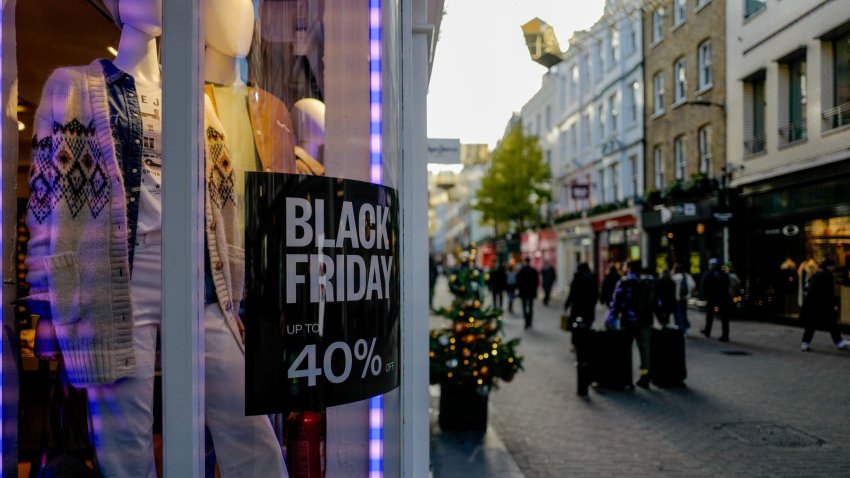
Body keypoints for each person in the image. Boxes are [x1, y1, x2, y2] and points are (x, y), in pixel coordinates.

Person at [22, 1, 286, 475]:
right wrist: (44, 306)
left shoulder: (194, 99)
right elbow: (48, 205)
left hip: (198, 278)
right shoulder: (73, 87)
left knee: (246, 420)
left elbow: (223, 202)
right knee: (125, 439)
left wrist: (235, 288)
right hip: (114, 280)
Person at [605, 261, 655, 388]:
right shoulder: (648, 282)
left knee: (625, 349)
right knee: (645, 350)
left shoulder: (624, 282)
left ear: (630, 268)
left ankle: (627, 379)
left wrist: (612, 318)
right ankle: (645, 376)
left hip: (628, 321)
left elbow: (616, 302)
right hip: (645, 320)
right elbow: (654, 301)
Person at [800, 258, 850, 352]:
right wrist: (834, 304)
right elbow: (829, 293)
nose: (832, 268)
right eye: (832, 266)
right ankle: (839, 342)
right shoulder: (828, 276)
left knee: (811, 325)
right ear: (828, 266)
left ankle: (805, 343)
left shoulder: (816, 274)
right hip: (824, 305)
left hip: (814, 305)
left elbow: (811, 290)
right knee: (832, 324)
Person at [701, 258, 731, 342]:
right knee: (724, 318)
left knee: (710, 316)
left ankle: (707, 331)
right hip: (722, 299)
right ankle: (725, 335)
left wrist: (706, 296)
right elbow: (727, 286)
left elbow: (704, 286)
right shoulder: (724, 274)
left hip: (712, 298)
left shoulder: (708, 274)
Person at [564, 262, 599, 328]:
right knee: (587, 326)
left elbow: (572, 293)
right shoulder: (593, 277)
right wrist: (593, 303)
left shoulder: (577, 277)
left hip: (577, 307)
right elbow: (596, 293)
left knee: (576, 327)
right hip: (589, 307)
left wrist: (567, 304)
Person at [671, 263, 696, 335]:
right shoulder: (687, 276)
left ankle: (681, 327)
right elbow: (693, 285)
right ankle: (685, 327)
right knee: (684, 313)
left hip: (677, 298)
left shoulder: (675, 277)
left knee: (678, 313)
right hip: (685, 298)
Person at [517, 258, 540, 329]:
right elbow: (536, 282)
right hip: (530, 292)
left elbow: (519, 282)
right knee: (530, 307)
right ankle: (529, 321)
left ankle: (526, 321)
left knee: (524, 307)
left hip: (524, 292)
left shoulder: (521, 271)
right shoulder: (533, 271)